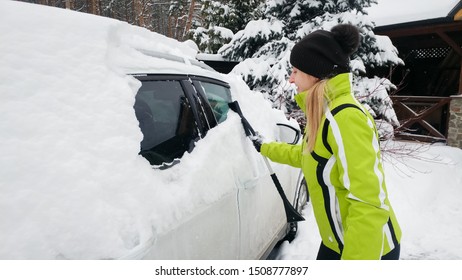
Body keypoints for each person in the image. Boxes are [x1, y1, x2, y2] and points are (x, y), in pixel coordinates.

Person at [253, 24, 402, 260]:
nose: (291, 80)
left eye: (295, 71)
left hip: (367, 248)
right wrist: (264, 147)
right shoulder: (324, 115)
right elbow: (306, 155)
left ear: (315, 73)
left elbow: (368, 203)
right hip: (338, 241)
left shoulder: (345, 118)